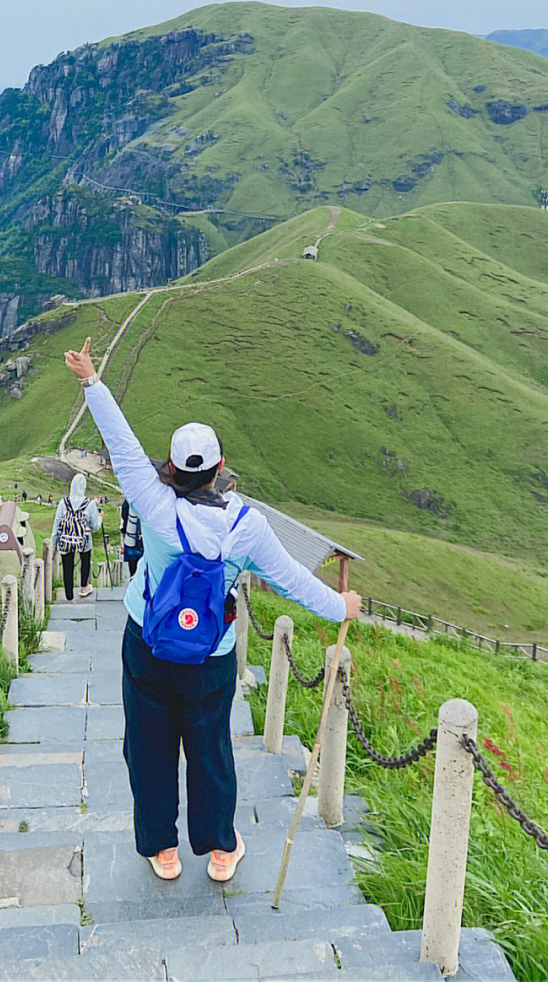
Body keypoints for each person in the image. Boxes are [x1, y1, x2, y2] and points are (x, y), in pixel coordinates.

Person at [63, 337, 363, 884]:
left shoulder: (153, 503)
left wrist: (92, 379)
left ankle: (163, 850)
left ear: (171, 469)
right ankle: (221, 851)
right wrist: (340, 604)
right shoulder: (246, 524)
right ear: (222, 466)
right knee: (209, 747)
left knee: (149, 746)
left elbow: (123, 444)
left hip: (149, 643)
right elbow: (293, 581)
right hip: (212, 652)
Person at [50, 472, 100, 600]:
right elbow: (95, 526)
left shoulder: (63, 502)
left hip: (66, 540)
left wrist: (54, 542)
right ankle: (84, 587)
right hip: (84, 540)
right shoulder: (90, 504)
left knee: (67, 565)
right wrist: (100, 518)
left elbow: (57, 522)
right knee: (85, 560)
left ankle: (69, 595)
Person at [120, 496, 144, 578]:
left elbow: (123, 516)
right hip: (144, 539)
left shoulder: (128, 500)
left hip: (131, 537)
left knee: (133, 569)